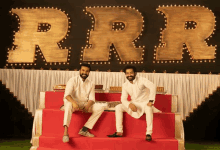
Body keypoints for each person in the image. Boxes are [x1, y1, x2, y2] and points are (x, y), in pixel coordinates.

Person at [107, 65, 161, 141]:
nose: (129, 75)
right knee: (118, 107)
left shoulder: (142, 80)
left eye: (131, 73)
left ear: (135, 73)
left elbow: (152, 86)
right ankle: (119, 131)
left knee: (149, 108)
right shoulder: (125, 85)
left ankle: (148, 133)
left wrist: (151, 101)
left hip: (145, 104)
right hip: (134, 104)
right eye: (127, 73)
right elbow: (123, 99)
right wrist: (129, 104)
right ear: (125, 74)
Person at [62, 63, 104, 143]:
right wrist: (74, 103)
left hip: (84, 103)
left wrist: (88, 105)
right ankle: (66, 132)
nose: (85, 72)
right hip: (72, 102)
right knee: (68, 105)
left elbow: (92, 99)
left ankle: (84, 129)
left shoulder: (91, 83)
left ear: (89, 72)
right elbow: (67, 95)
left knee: (100, 107)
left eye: (87, 71)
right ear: (79, 71)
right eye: (83, 70)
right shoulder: (72, 80)